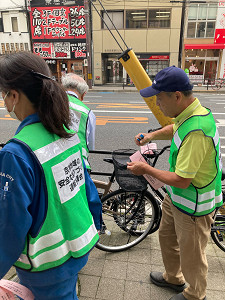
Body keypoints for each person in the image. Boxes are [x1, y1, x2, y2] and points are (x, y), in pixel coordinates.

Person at [0, 52, 102, 300]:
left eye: (4, 94)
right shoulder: (67, 132)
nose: (4, 101)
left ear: (14, 95)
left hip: (45, 265)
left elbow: (9, 227)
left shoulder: (17, 153)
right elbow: (86, 189)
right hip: (78, 247)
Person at [127, 66, 222, 300]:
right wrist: (152, 135)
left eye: (160, 98)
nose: (157, 104)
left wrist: (146, 169)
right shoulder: (187, 114)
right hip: (177, 198)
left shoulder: (197, 130)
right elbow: (175, 128)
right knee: (167, 237)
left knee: (192, 255)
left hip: (194, 206)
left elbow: (181, 179)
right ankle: (173, 277)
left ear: (177, 96)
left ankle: (195, 294)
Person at [61, 73, 96, 171]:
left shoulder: (50, 102)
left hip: (52, 162)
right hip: (78, 165)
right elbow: (90, 146)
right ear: (83, 94)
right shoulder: (87, 113)